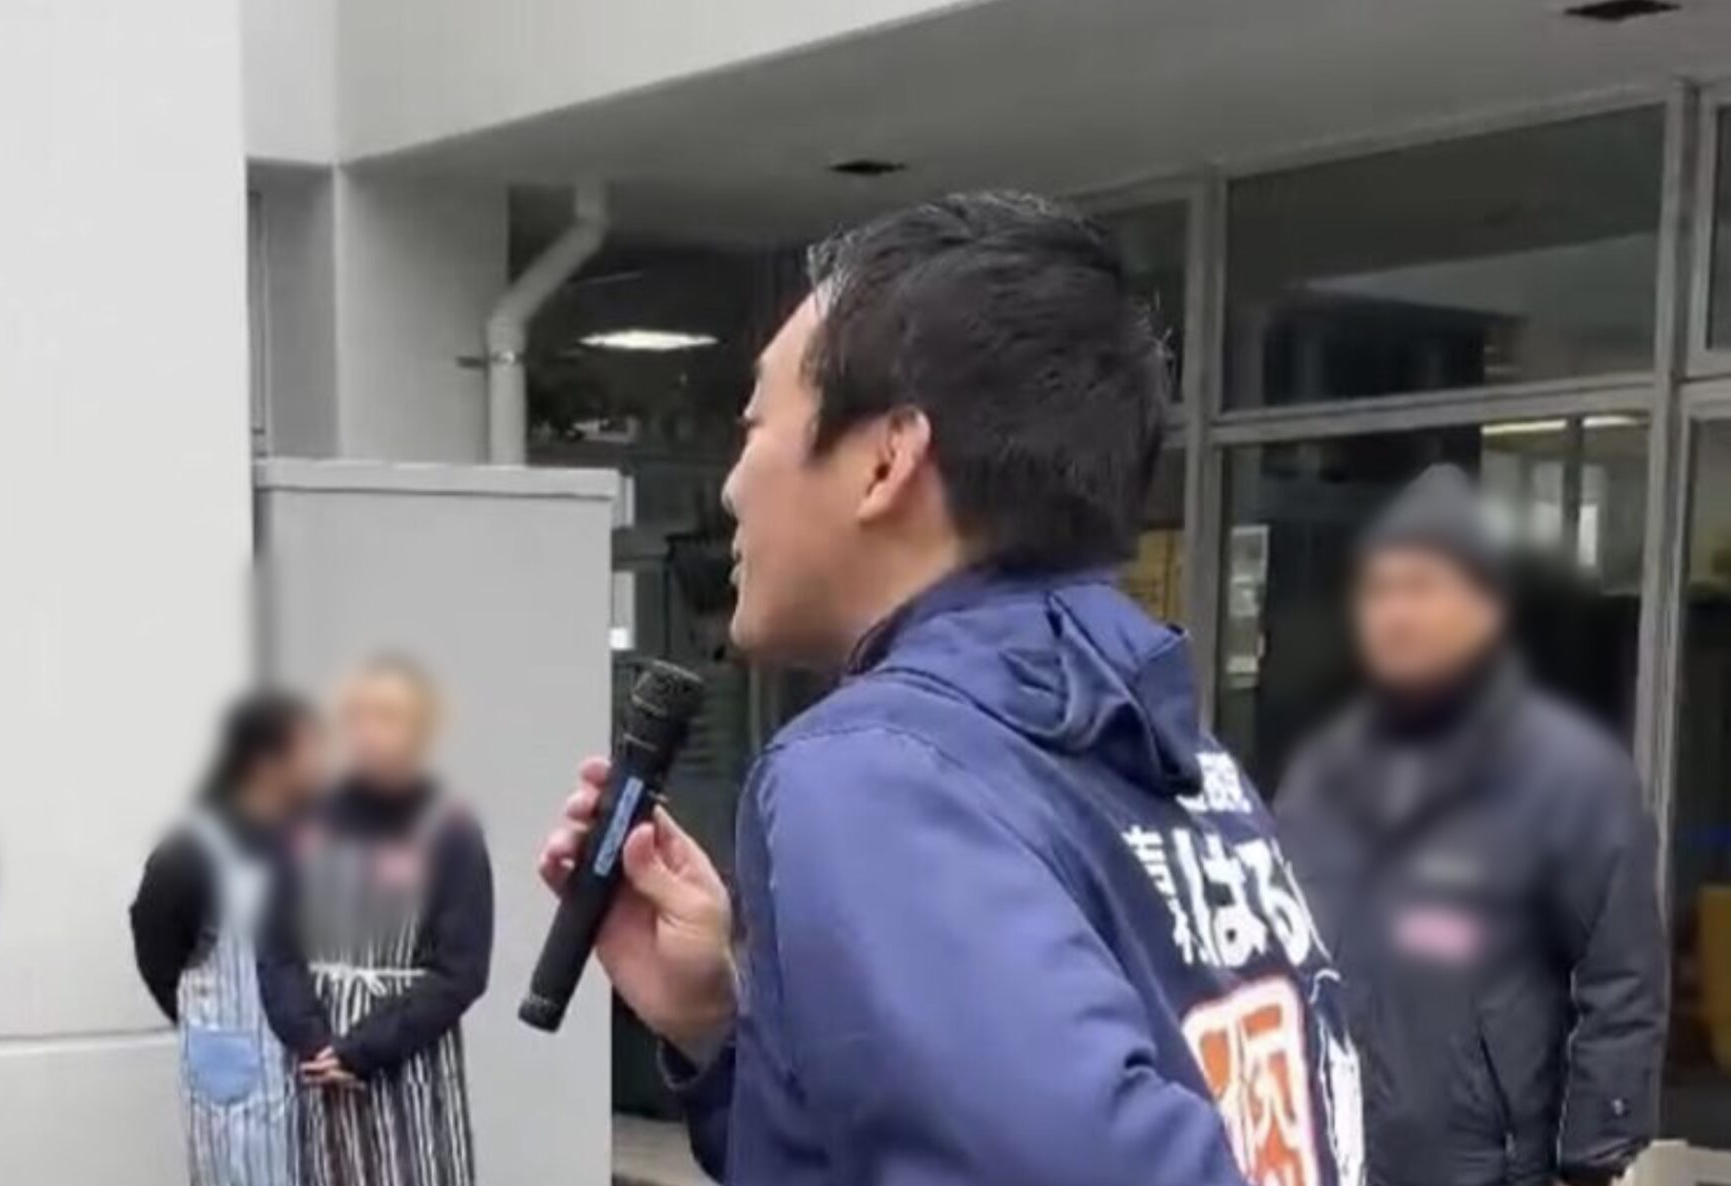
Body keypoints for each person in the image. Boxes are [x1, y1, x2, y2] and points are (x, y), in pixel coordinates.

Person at [538, 192, 1364, 1186]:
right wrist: (719, 1028)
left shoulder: (878, 775)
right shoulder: (1164, 743)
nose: (730, 485)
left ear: (888, 459)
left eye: (754, 426)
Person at [1276, 464, 1668, 1186]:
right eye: (1385, 589)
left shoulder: (1572, 775)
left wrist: (1594, 1156)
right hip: (1336, 1152)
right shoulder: (1321, 773)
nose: (1400, 614)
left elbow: (1621, 978)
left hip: (1489, 1165)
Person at [258, 656, 493, 1186]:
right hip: (318, 1075)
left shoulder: (451, 831)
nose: (369, 732)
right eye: (358, 716)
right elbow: (275, 947)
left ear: (422, 731)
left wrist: (361, 1049)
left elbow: (460, 971)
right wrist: (312, 1041)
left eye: (388, 717)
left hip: (409, 1071)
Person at [130, 688, 324, 1186]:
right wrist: (205, 1020)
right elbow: (157, 949)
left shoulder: (315, 843)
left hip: (314, 1080)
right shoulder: (190, 855)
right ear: (264, 762)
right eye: (310, 751)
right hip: (236, 1086)